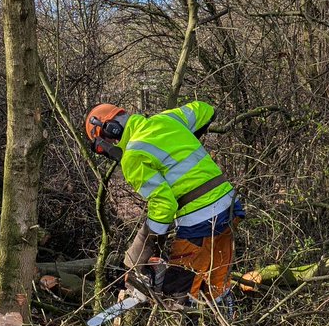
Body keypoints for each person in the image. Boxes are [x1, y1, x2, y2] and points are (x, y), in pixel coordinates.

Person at [85, 101, 244, 309]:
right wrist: (181, 142)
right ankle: (226, 325)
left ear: (110, 130)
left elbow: (164, 204)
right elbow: (206, 110)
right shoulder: (167, 119)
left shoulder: (133, 155)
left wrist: (144, 248)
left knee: (179, 291)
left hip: (201, 220)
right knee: (215, 281)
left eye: (102, 146)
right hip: (229, 205)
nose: (108, 151)